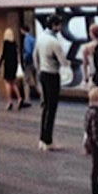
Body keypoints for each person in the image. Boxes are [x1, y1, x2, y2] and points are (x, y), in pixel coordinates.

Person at [34, 15, 69, 150]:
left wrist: (39, 69)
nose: (60, 28)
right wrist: (67, 63)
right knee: (52, 108)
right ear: (54, 25)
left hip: (43, 73)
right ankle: (48, 140)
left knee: (46, 107)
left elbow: (34, 56)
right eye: (59, 25)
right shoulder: (54, 42)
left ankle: (42, 138)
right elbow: (63, 62)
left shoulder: (41, 38)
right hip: (53, 75)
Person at [0, 27, 22, 109]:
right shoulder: (14, 43)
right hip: (14, 65)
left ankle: (9, 101)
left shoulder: (5, 43)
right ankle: (19, 98)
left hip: (7, 64)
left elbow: (2, 55)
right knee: (13, 82)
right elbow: (18, 55)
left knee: (7, 83)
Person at [21, 23, 39, 103]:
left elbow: (28, 51)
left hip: (28, 62)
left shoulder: (26, 39)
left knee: (26, 81)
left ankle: (27, 99)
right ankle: (43, 97)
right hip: (34, 61)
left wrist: (24, 58)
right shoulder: (33, 38)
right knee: (36, 81)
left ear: (22, 30)